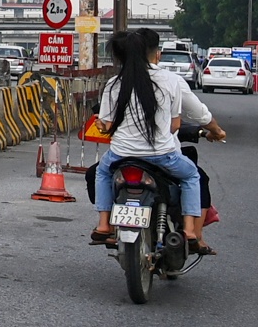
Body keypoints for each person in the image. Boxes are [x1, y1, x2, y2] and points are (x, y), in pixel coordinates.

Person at [90, 29, 227, 253]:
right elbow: (175, 125)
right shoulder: (171, 81)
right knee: (192, 175)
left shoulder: (114, 83)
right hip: (162, 155)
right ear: (155, 54)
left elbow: (105, 124)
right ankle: (191, 231)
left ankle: (104, 224)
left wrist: (103, 125)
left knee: (102, 172)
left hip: (121, 155)